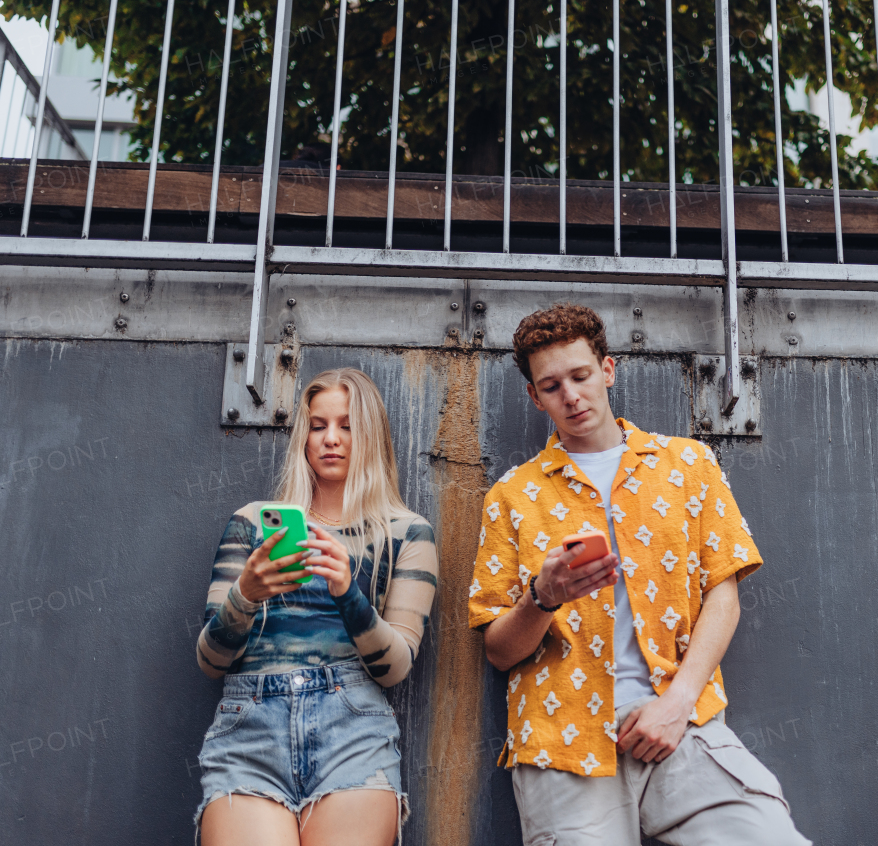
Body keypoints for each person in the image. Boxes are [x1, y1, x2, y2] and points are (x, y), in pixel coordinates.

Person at [468, 305, 810, 846]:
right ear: (536, 397)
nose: (572, 396)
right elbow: (499, 651)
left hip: (680, 717)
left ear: (608, 369)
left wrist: (676, 706)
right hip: (563, 740)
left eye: (581, 376)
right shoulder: (512, 495)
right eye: (552, 386)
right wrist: (543, 596)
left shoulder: (688, 464)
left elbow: (724, 596)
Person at [194, 368, 439, 846]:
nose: (331, 439)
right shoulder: (251, 524)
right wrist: (247, 593)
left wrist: (347, 592)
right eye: (318, 425)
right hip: (250, 728)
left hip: (352, 728)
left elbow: (395, 666)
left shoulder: (406, 533)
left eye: (347, 426)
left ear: (370, 436)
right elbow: (209, 660)